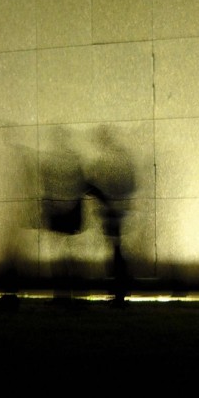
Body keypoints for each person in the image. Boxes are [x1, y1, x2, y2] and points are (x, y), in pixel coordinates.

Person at [84, 124, 137, 307]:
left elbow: (96, 184)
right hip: (118, 209)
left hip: (111, 210)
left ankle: (119, 290)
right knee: (117, 248)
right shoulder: (121, 158)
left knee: (115, 250)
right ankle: (120, 290)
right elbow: (131, 183)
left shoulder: (106, 161)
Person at [40, 125, 88, 304]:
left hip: (56, 213)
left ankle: (61, 295)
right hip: (72, 213)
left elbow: (46, 187)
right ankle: (78, 294)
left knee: (57, 257)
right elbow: (81, 185)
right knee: (73, 256)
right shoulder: (75, 159)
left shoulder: (49, 160)